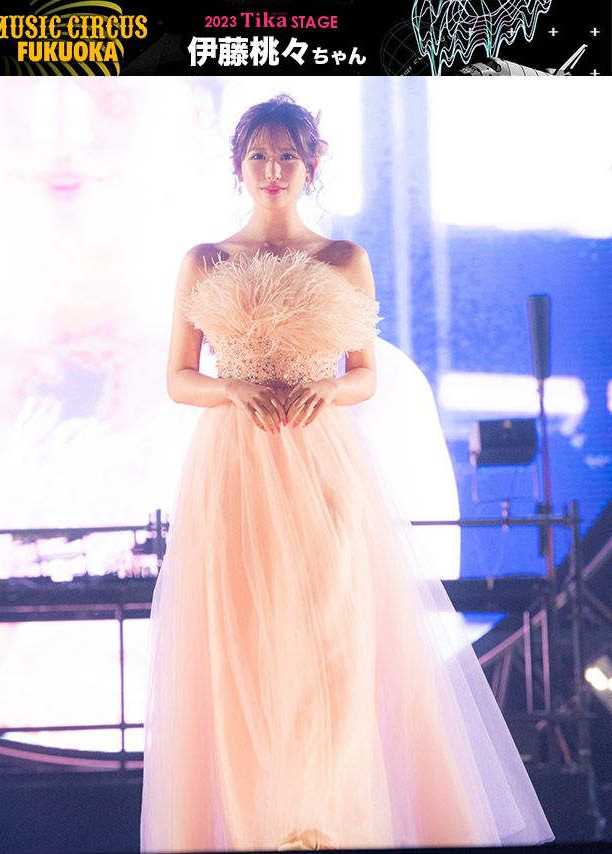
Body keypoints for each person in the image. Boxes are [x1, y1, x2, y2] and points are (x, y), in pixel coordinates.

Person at [140, 94, 555, 852]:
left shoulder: (344, 258)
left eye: (286, 156)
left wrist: (324, 390)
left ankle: (331, 825)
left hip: (322, 461)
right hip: (233, 466)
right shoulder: (204, 259)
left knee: (334, 640)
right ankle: (261, 826)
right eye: (258, 155)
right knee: (242, 647)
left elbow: (364, 373)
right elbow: (178, 377)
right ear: (238, 164)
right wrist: (234, 388)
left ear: (312, 164)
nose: (272, 170)